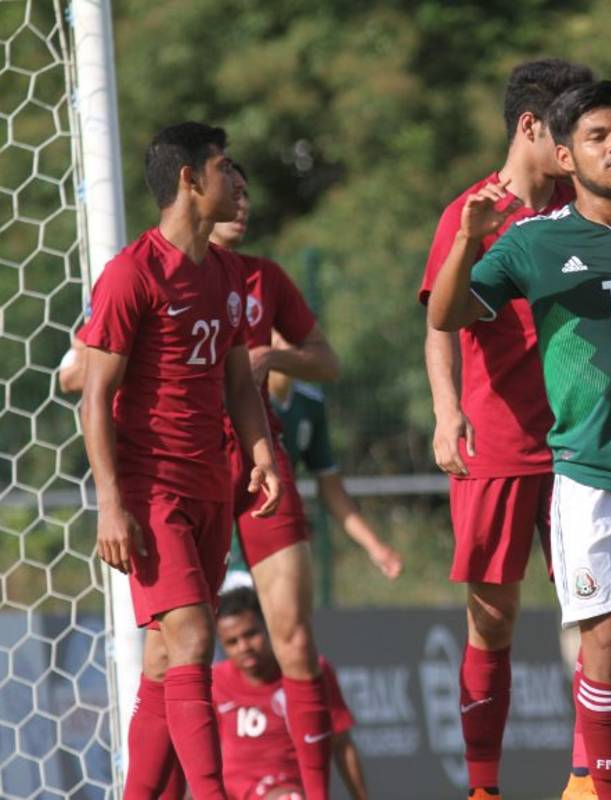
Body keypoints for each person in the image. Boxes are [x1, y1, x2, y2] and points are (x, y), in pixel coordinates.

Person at [429, 79, 611, 800]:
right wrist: (469, 239)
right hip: (574, 465)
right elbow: (444, 314)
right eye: (597, 136)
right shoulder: (518, 235)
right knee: (591, 640)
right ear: (559, 147)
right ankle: (569, 786)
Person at [80, 121, 282, 800]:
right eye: (225, 168)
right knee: (195, 637)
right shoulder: (132, 274)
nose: (237, 182)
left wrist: (260, 454)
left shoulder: (227, 274)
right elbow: (94, 395)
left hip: (210, 486)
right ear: (191, 180)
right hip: (150, 488)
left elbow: (237, 383)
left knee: (166, 659)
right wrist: (111, 501)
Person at [418, 58, 594, 800]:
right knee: (493, 620)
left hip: (581, 441)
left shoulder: (583, 206)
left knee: (596, 612)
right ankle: (484, 788)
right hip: (495, 441)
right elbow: (437, 320)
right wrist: (446, 408)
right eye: (567, 129)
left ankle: (592, 778)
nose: (579, 145)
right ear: (531, 127)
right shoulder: (470, 213)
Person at [210, 163, 345, 800]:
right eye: (230, 191)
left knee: (293, 637)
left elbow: (327, 359)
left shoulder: (266, 277)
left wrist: (275, 355)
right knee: (173, 654)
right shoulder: (154, 271)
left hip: (265, 465)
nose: (242, 203)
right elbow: (90, 369)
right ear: (192, 191)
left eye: (247, 192)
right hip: (188, 473)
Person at [266, 339, 404, 580]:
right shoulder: (240, 396)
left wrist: (375, 547)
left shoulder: (310, 403)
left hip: (285, 537)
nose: (291, 337)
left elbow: (330, 487)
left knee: (294, 618)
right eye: (281, 325)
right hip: (234, 540)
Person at [214, 587, 367, 800]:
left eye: (251, 634)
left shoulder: (310, 673)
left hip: (288, 791)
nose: (243, 647)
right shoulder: (214, 682)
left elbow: (341, 744)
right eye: (232, 642)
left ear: (268, 628)